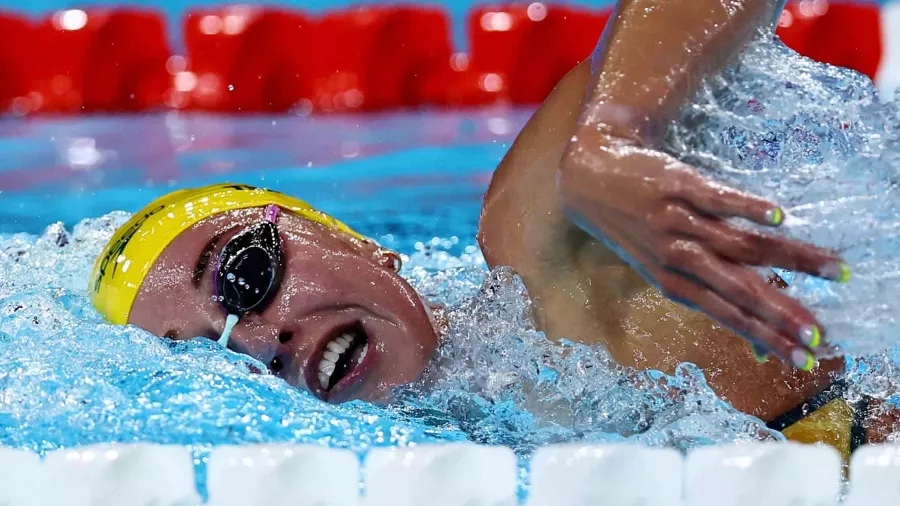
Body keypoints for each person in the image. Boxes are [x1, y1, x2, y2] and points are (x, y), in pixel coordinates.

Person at [89, 0, 885, 460]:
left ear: (352, 239)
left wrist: (609, 135)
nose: (260, 341)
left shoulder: (548, 257)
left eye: (243, 277)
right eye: (210, 357)